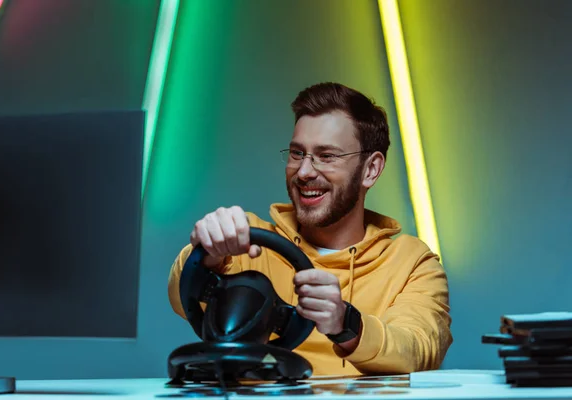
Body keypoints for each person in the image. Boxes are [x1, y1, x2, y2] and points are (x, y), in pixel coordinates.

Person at [168, 82, 452, 376]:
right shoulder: (248, 240)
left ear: (371, 170)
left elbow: (418, 348)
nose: (304, 171)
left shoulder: (412, 262)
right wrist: (207, 251)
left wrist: (346, 323)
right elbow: (180, 296)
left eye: (326, 156)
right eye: (296, 153)